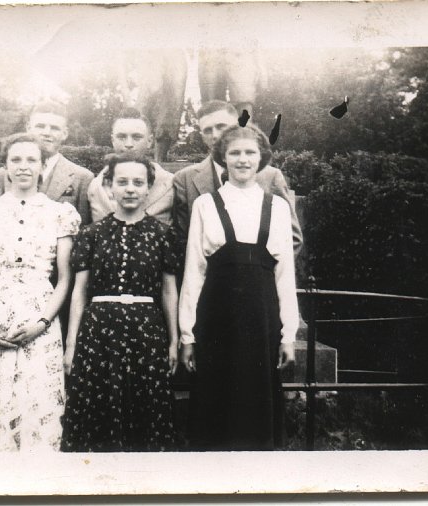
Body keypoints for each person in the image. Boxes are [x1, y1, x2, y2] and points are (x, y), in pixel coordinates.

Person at [0, 133, 81, 452]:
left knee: (36, 400)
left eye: (31, 160)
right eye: (16, 160)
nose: (23, 167)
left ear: (42, 166)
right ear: (6, 166)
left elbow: (64, 278)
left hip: (39, 314)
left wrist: (42, 322)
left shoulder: (60, 213)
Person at [179, 124, 298, 451]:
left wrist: (288, 335)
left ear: (261, 158)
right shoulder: (205, 204)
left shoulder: (277, 207)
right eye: (235, 153)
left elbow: (285, 274)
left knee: (256, 396)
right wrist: (188, 335)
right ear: (223, 157)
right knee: (215, 400)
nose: (243, 160)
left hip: (261, 317)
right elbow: (194, 272)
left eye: (250, 153)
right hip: (217, 316)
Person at [62, 153, 180, 452]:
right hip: (98, 332)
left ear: (149, 188)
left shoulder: (163, 234)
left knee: (144, 405)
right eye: (122, 182)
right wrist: (72, 343)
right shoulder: (91, 234)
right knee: (97, 402)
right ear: (109, 186)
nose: (130, 189)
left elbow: (168, 290)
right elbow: (80, 291)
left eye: (138, 182)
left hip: (146, 332)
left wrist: (173, 341)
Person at [172, 101, 302, 256]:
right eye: (207, 130)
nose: (215, 135)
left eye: (221, 126)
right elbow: (182, 241)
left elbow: (292, 239)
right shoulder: (185, 179)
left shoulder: (270, 176)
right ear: (202, 136)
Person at [0, 102, 94, 225]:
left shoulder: (82, 177)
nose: (47, 133)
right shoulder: (2, 175)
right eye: (40, 126)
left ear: (65, 133)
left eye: (54, 128)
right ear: (28, 128)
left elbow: (83, 231)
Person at [87, 108, 174, 224]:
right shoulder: (95, 186)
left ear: (150, 141)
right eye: (121, 137)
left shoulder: (170, 184)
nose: (129, 144)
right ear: (113, 140)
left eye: (137, 137)